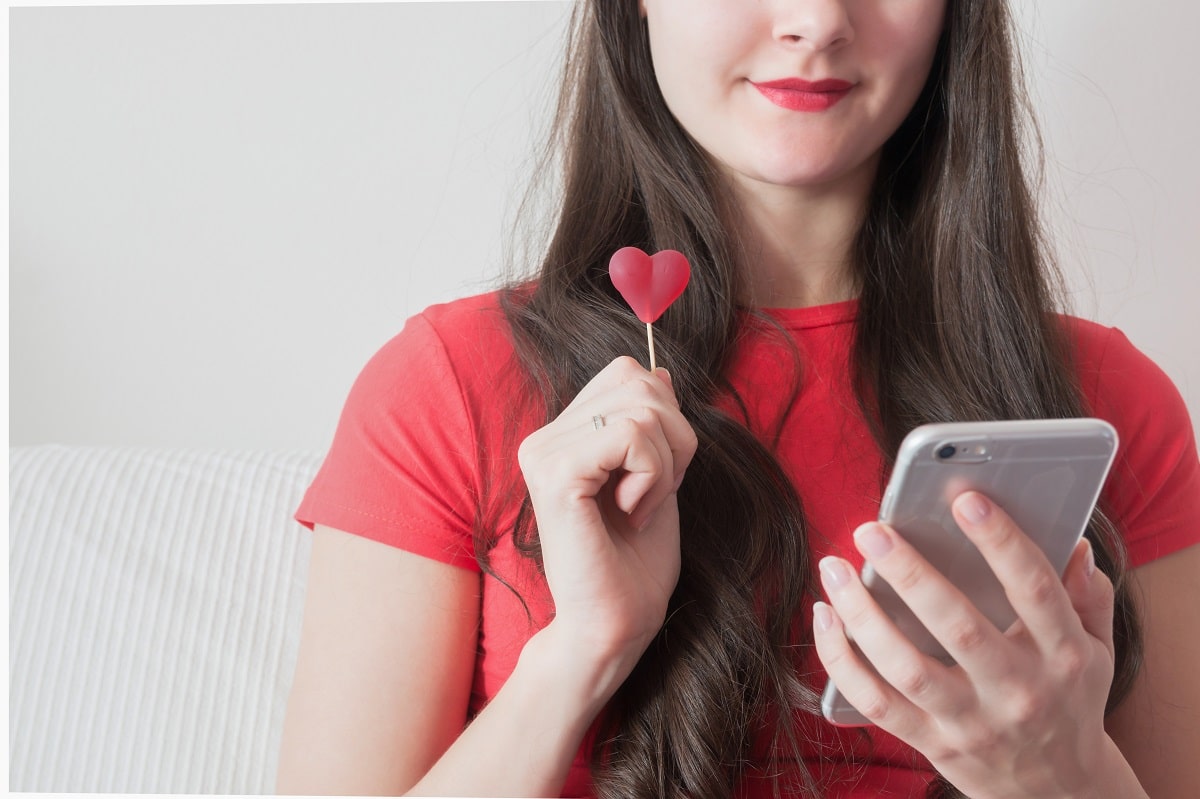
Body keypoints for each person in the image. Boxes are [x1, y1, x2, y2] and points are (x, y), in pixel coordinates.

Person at [276, 1, 1200, 796]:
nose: (818, 23)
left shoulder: (1107, 406)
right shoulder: (447, 385)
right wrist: (585, 648)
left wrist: (1068, 775)